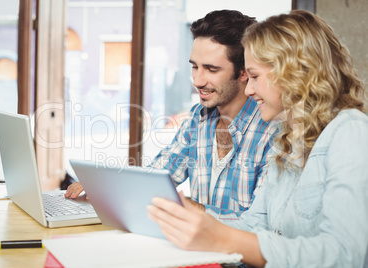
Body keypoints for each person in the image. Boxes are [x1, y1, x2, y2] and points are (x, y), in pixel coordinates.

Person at [147, 10, 368, 267]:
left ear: (293, 72)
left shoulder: (351, 132)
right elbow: (255, 224)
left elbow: (345, 255)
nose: (249, 89)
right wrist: (194, 220)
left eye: (254, 77)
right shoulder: (287, 142)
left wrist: (219, 235)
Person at [65, 10, 277, 221]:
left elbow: (261, 224)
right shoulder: (199, 118)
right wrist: (106, 186)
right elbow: (159, 175)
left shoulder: (272, 130)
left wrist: (192, 209)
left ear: (243, 72)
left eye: (211, 70)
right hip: (192, 248)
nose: (197, 81)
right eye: (195, 67)